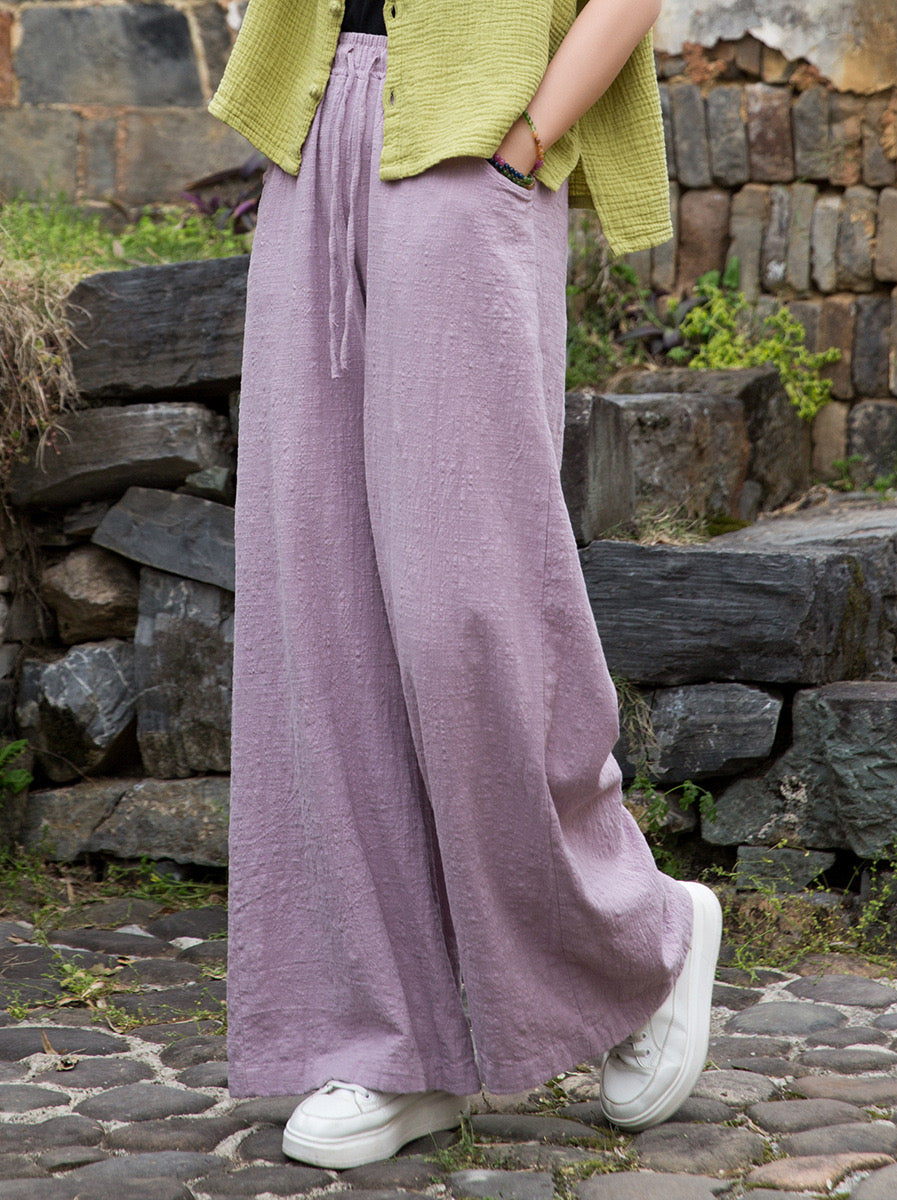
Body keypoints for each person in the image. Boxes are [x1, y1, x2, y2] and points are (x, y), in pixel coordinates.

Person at [209, 0, 723, 1171]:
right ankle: (396, 1044)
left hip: (479, 139)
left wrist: (529, 139)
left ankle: (638, 935)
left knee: (466, 606)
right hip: (316, 124)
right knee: (320, 606)